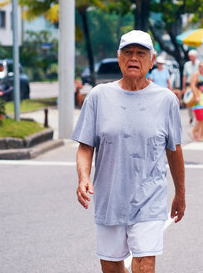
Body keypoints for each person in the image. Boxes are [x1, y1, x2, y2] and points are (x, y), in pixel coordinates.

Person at [72, 30, 185, 273]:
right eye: (128, 52)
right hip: (110, 198)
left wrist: (180, 193)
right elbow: (85, 145)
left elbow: (174, 150)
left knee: (145, 265)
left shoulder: (166, 100)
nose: (134, 58)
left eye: (141, 53)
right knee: (111, 268)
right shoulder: (98, 96)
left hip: (149, 199)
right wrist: (83, 178)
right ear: (119, 57)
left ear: (152, 60)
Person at [182, 50, 200, 124]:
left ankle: (196, 118)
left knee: (196, 102)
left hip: (197, 86)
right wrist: (183, 87)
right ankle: (191, 117)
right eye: (190, 56)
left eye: (192, 56)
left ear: (195, 57)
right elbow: (184, 76)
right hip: (189, 85)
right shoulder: (187, 64)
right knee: (188, 102)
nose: (190, 58)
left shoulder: (199, 64)